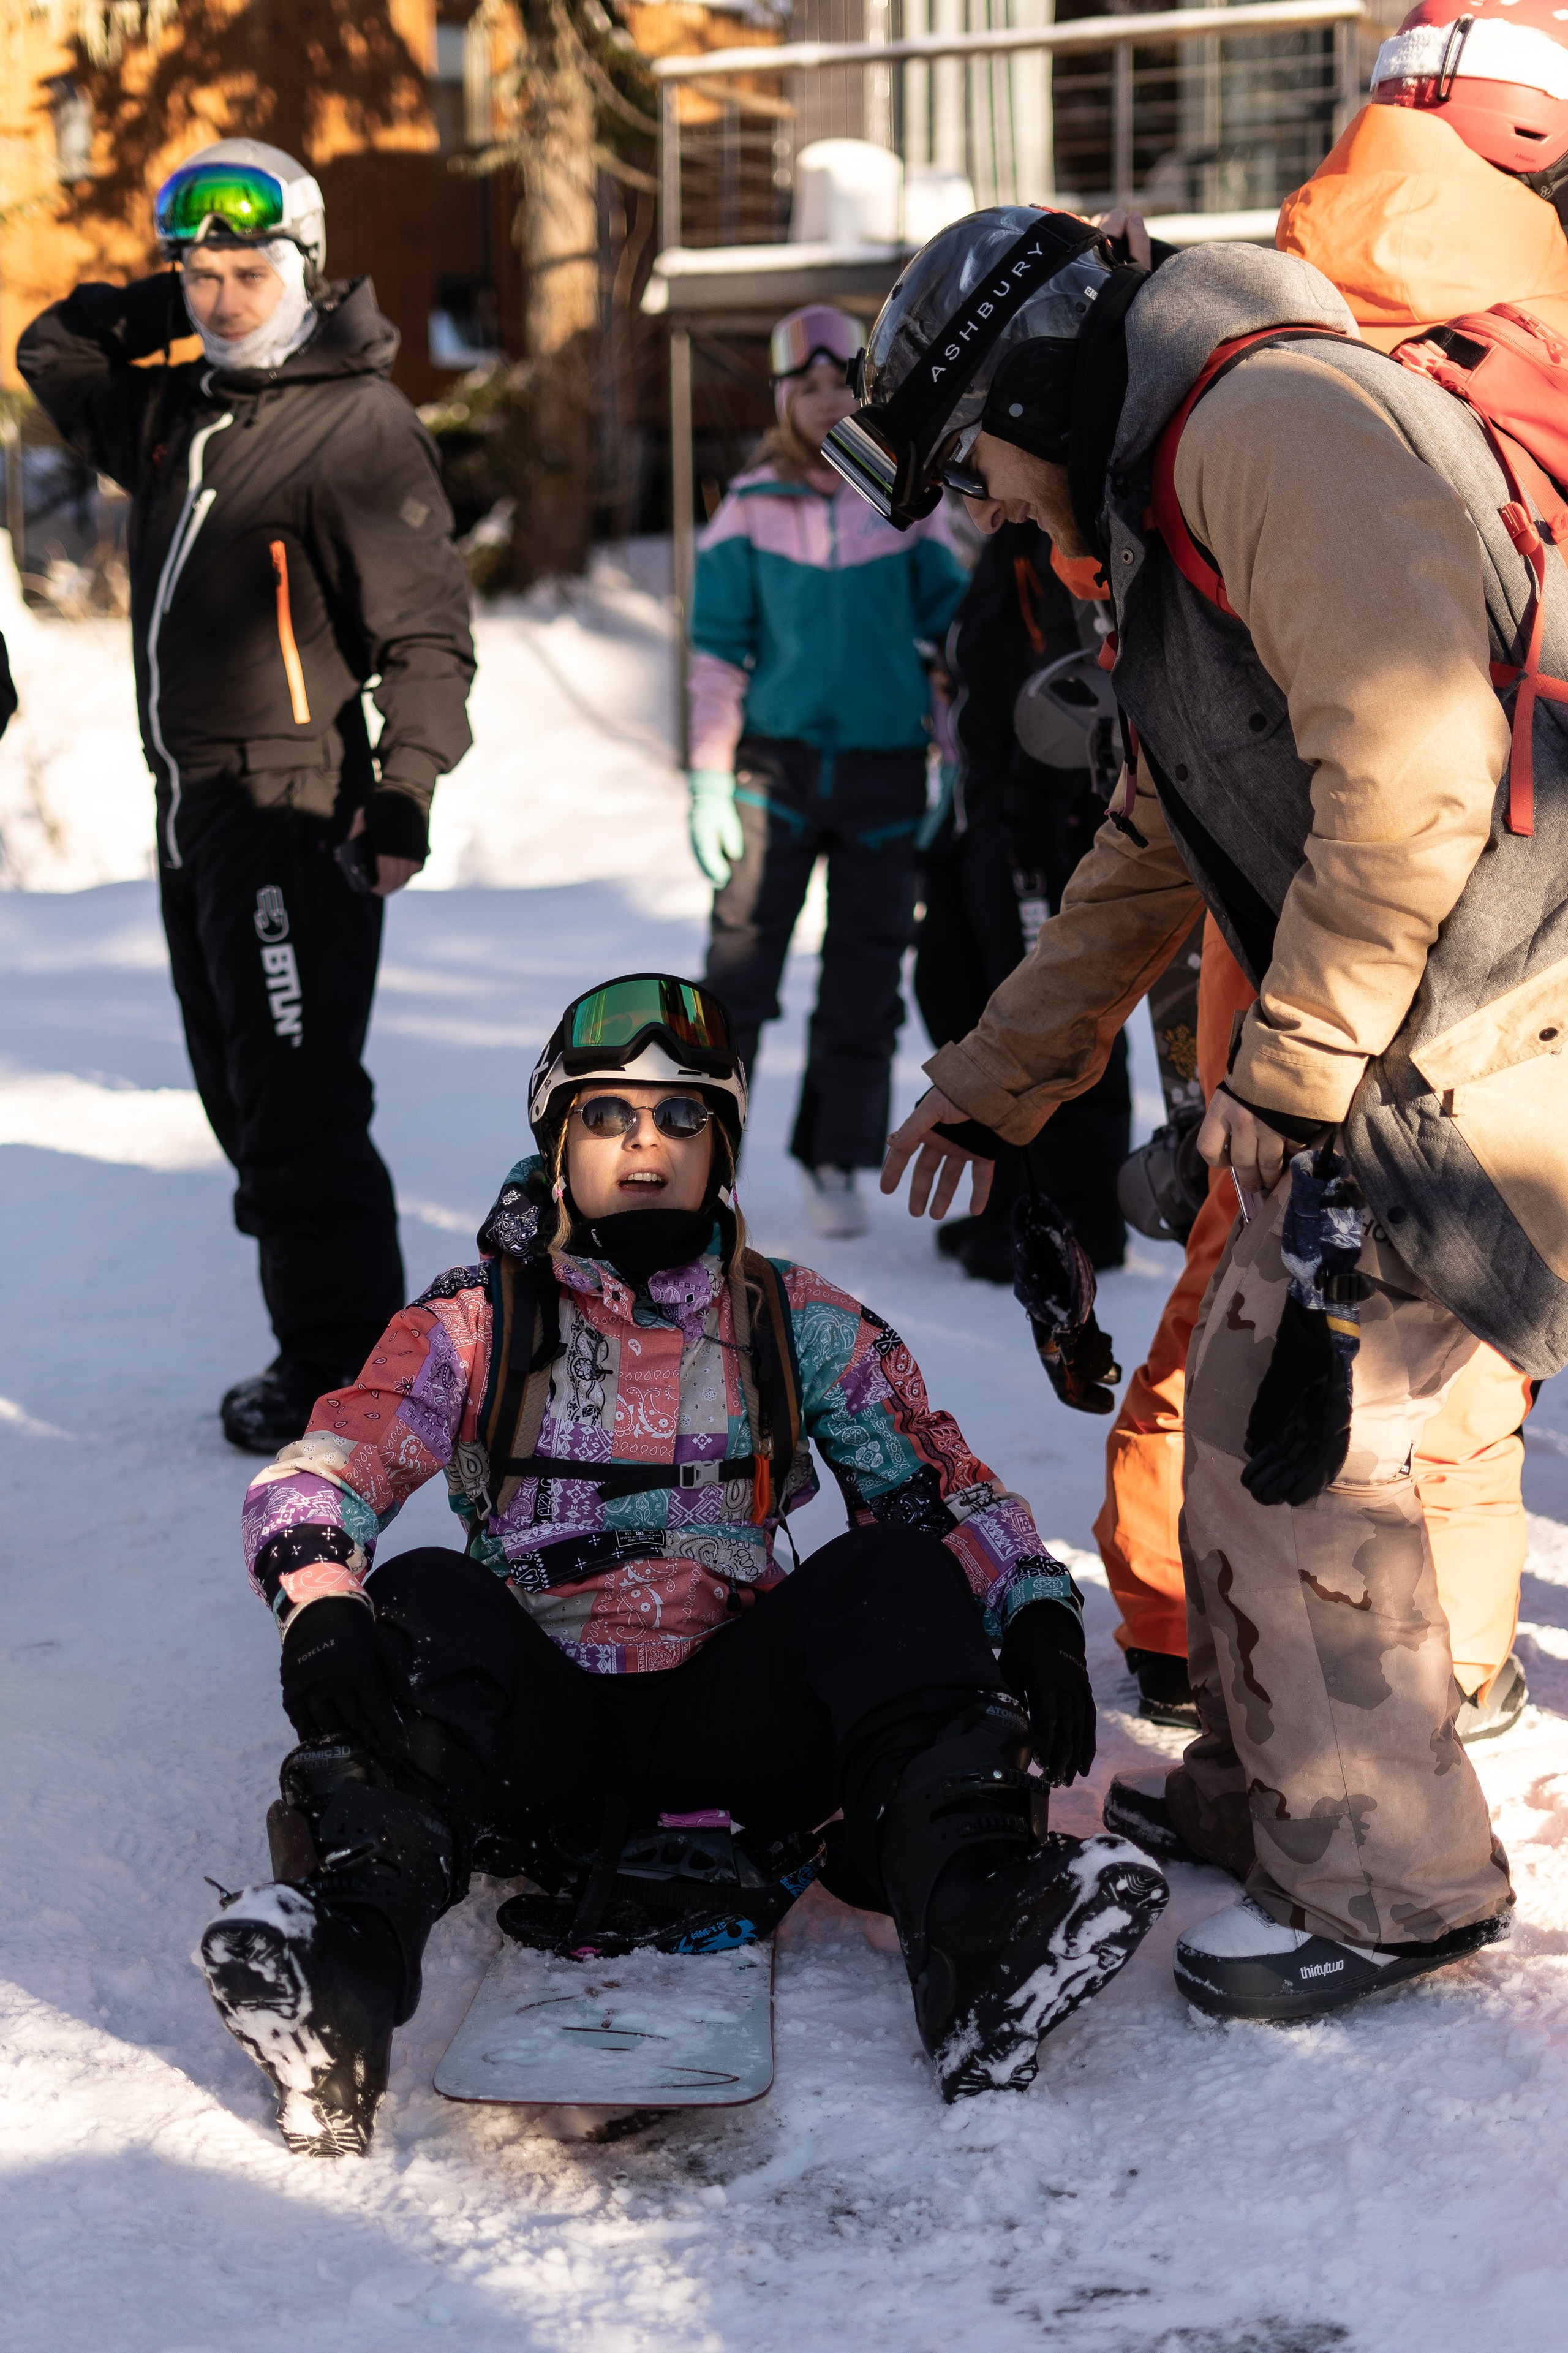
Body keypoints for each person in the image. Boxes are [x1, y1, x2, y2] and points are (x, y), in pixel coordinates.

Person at [835, 203, 1555, 2022]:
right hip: (1413, 1034)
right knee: (1240, 1422)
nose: (982, 503)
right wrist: (1001, 1078)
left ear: (1035, 375)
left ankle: (1392, 1884)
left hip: (1495, 1026)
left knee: (1322, 1456)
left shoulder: (1271, 426)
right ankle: (1281, 1798)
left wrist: (1286, 1068)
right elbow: (1162, 834)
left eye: (972, 459)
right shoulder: (1168, 494)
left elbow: (1408, 774)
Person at [196, 972, 1167, 2154]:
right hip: (540, 1742)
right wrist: (319, 1604)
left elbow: (941, 1487)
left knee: (897, 1573)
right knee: (418, 1597)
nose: (645, 1144)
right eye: (608, 1115)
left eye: (681, 1117)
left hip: (738, 1733)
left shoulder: (795, 1320)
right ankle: (345, 1972)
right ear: (560, 1141)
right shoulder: (472, 1321)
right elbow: (332, 1461)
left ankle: (977, 1937)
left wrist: (1039, 1614)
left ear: (724, 1147)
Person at [1096, 25, 1568, 1742]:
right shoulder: (1538, 338)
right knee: (1462, 1325)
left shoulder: (1273, 328)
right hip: (1532, 932)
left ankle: (1199, 1640)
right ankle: (1454, 1662)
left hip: (1319, 904)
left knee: (1274, 1278)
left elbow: (1213, 720)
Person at [19, 138, 475, 1453]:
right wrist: (159, 309)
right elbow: (53, 354)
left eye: (246, 269)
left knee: (297, 1104)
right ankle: (341, 1353)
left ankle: (352, 1384)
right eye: (198, 273)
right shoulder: (186, 408)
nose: (220, 296)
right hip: (194, 808)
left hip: (291, 807)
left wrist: (404, 789)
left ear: (307, 266)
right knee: (241, 1091)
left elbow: (427, 636)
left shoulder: (357, 424)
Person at [688, 306, 970, 1238]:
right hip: (778, 768)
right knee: (739, 972)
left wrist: (951, 759)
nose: (823, 401)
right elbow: (719, 653)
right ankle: (698, 1157)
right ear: (780, 398)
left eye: (840, 384)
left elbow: (951, 637)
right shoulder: (749, 505)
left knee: (864, 972)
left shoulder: (904, 500)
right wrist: (706, 777)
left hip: (888, 770)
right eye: (805, 386)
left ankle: (835, 1158)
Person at [916, 518, 1129, 1281]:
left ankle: (1076, 1214)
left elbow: (1079, 681)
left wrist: (1040, 812)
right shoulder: (1001, 543)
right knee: (952, 984)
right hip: (977, 811)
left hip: (1041, 819)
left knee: (1051, 1005)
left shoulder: (1056, 537)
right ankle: (1007, 1190)